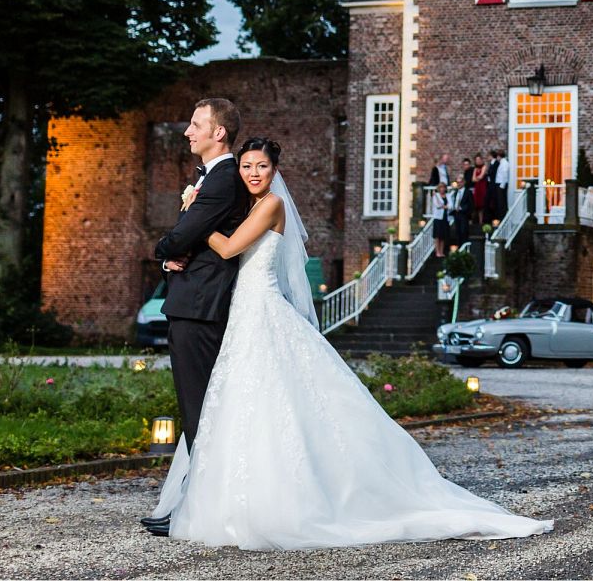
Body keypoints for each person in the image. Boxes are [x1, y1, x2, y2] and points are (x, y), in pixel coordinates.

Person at [149, 137, 551, 549]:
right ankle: (242, 494)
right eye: (247, 166)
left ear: (275, 172)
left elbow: (232, 247)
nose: (254, 173)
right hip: (243, 314)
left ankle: (296, 501)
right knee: (249, 404)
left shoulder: (271, 205)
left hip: (263, 312)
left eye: (262, 167)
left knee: (276, 399)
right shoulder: (246, 207)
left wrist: (195, 219)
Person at [139, 97, 244, 537]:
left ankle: (204, 511)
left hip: (200, 307)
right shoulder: (209, 178)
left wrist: (163, 249)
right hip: (193, 300)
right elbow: (185, 241)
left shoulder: (221, 180)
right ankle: (192, 503)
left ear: (219, 132)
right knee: (197, 409)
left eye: (197, 124)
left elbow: (182, 235)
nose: (188, 131)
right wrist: (169, 259)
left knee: (200, 411)